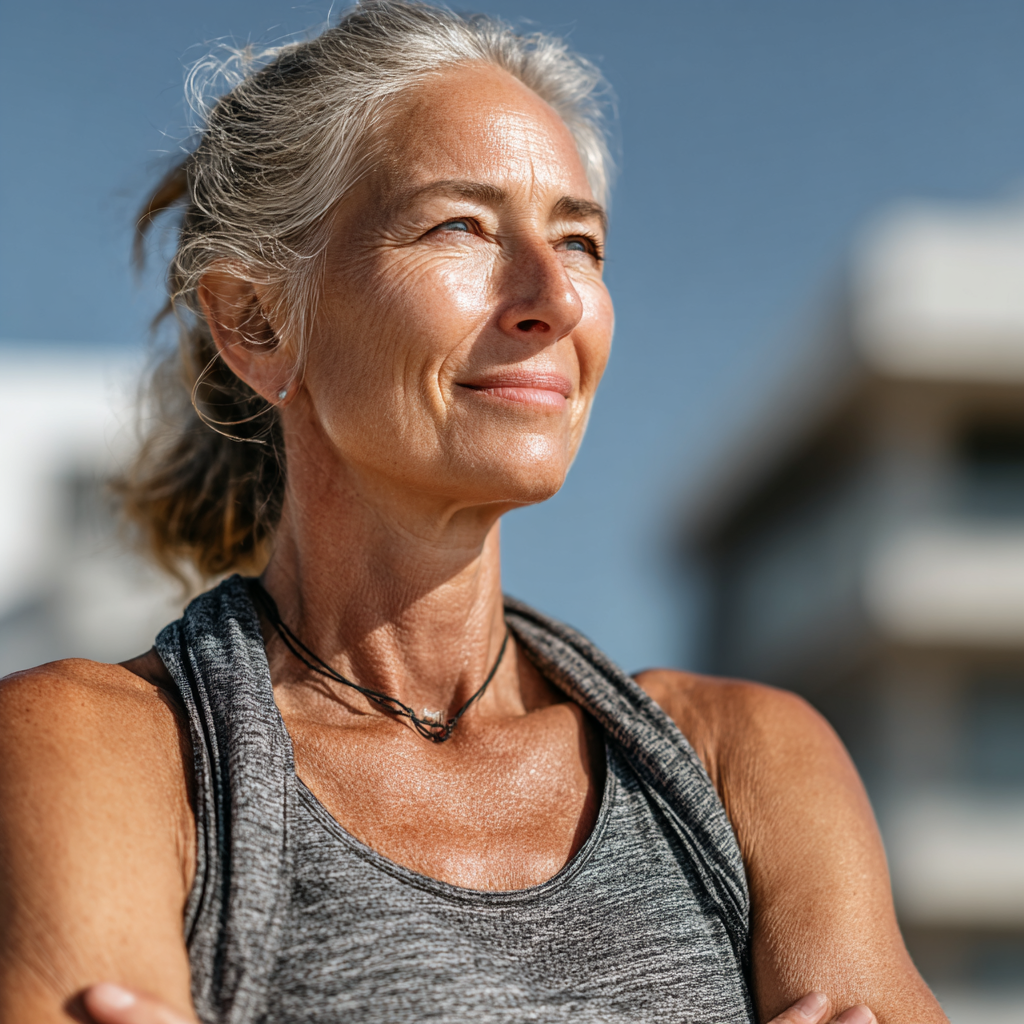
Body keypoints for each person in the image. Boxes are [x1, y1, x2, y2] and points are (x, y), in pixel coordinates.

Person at [0, 3, 947, 1023]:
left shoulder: (746, 759)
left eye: (579, 241)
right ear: (259, 321)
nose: (555, 296)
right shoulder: (101, 752)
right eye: (462, 225)